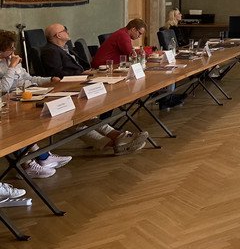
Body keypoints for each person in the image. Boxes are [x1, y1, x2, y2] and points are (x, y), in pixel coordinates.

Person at [42, 24, 149, 155]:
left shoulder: (64, 48)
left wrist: (86, 72)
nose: (67, 31)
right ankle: (116, 141)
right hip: (70, 86)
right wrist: (82, 74)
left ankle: (119, 137)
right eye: (64, 30)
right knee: (77, 117)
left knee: (88, 115)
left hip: (81, 80)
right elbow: (57, 74)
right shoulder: (50, 51)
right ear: (58, 35)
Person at [0, 29, 71, 179]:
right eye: (10, 48)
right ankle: (28, 164)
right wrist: (12, 67)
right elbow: (3, 88)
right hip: (10, 101)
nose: (13, 50)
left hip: (27, 95)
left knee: (31, 122)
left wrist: (49, 79)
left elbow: (30, 78)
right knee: (16, 127)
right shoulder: (8, 64)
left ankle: (43, 157)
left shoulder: (12, 61)